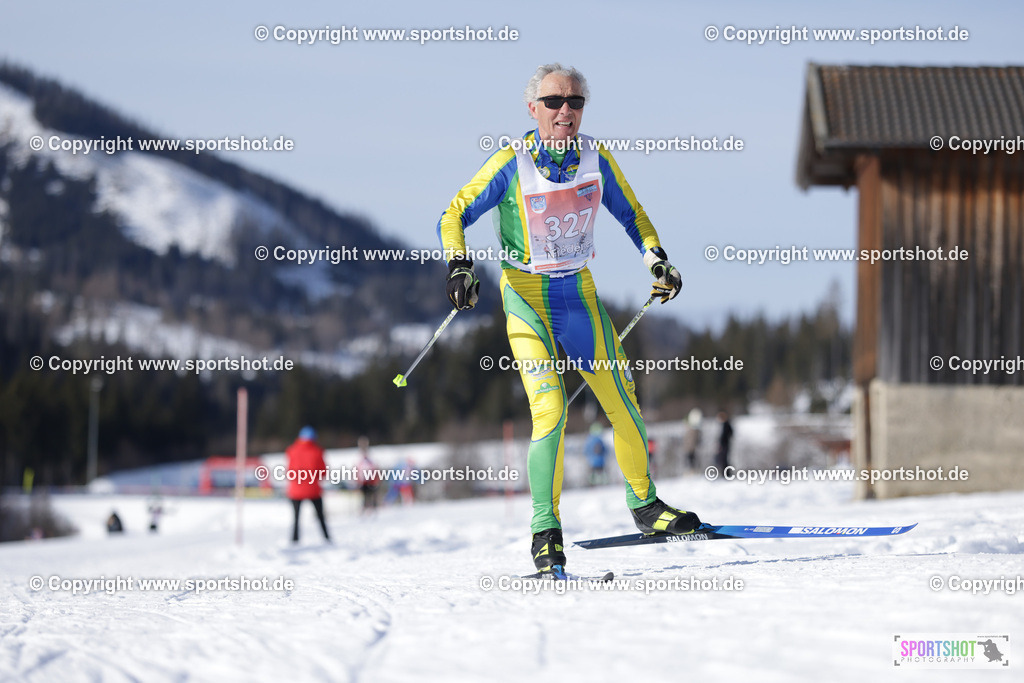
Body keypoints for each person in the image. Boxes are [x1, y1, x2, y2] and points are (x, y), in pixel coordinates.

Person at [437, 63, 702, 575]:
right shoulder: (511, 163)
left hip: (578, 295)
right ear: (532, 107)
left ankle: (646, 507)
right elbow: (454, 213)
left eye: (576, 102)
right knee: (551, 410)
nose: (566, 111)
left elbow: (633, 214)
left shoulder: (595, 158)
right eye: (555, 101)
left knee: (622, 399)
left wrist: (657, 259)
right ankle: (545, 530)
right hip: (526, 298)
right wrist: (458, 265)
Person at [285, 426, 330, 543]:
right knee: (320, 516)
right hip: (313, 489)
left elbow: (289, 471)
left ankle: (294, 540)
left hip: (296, 489)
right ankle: (326, 538)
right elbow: (323, 471)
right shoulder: (317, 451)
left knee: (296, 518)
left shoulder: (292, 450)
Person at [355, 436, 381, 514]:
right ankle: (365, 508)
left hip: (371, 481)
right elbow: (357, 470)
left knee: (371, 495)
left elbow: (375, 468)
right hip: (363, 482)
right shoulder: (358, 457)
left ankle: (372, 508)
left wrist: (377, 479)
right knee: (364, 496)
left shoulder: (371, 456)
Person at [683, 407, 703, 472]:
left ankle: (694, 470)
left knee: (693, 458)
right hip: (690, 447)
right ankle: (692, 469)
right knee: (690, 458)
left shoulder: (694, 430)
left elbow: (693, 439)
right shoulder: (690, 430)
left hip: (692, 447)